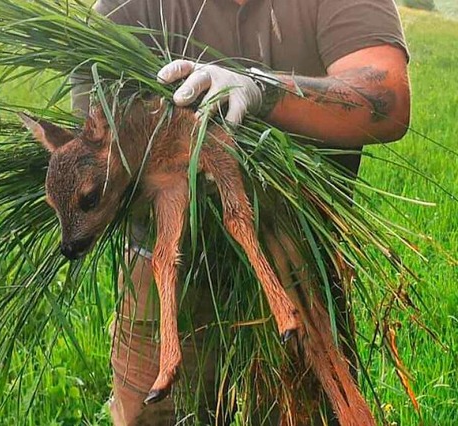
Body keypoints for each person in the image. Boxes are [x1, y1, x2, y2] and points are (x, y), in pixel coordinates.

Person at [72, 0, 410, 424]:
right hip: (167, 284)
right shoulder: (129, 6)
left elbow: (387, 98)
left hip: (299, 274)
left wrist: (262, 90)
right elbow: (91, 152)